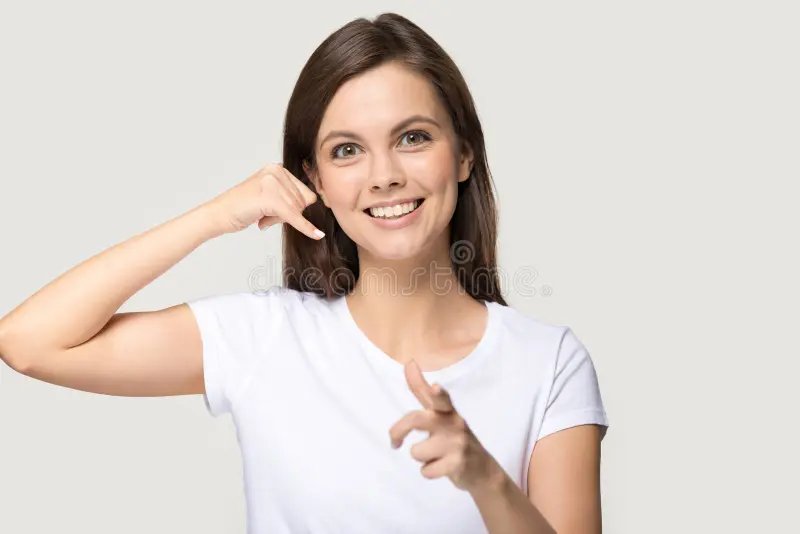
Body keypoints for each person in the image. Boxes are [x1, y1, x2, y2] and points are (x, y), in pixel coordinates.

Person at [0, 12, 609, 534]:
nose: (384, 175)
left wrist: (485, 479)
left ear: (465, 153)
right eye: (347, 150)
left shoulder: (548, 363)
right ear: (314, 179)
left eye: (413, 137)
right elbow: (29, 342)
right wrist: (214, 216)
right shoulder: (263, 337)